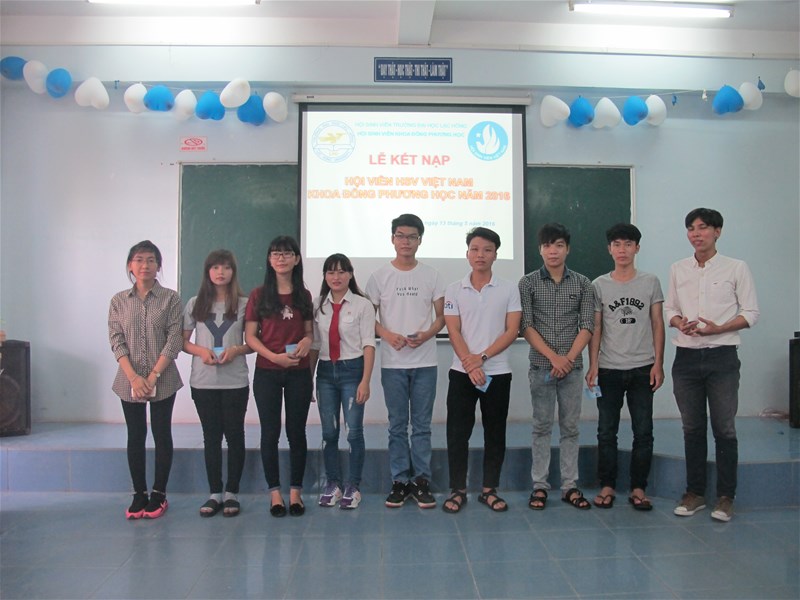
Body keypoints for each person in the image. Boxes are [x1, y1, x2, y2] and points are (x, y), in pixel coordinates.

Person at [665, 208, 759, 522]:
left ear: (717, 231)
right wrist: (679, 322)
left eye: (703, 227)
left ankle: (726, 497)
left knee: (724, 428)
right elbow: (670, 309)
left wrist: (719, 328)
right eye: (691, 228)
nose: (696, 234)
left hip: (722, 357)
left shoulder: (736, 267)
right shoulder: (678, 268)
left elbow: (751, 313)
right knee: (692, 428)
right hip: (686, 358)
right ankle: (694, 494)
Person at [365, 213, 445, 509]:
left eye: (412, 236)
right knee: (397, 425)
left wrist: (427, 334)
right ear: (392, 239)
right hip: (393, 364)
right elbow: (368, 317)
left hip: (425, 362)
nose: (406, 241)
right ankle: (399, 481)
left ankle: (421, 481)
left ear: (420, 240)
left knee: (422, 426)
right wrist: (387, 334)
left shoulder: (432, 275)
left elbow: (442, 317)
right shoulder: (379, 277)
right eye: (401, 236)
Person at [442, 228, 521, 514]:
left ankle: (489, 490)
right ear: (467, 254)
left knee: (495, 432)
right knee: (457, 433)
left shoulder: (509, 289)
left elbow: (512, 330)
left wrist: (482, 358)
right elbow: (453, 330)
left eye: (487, 250)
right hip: (461, 373)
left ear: (496, 254)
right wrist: (469, 363)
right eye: (475, 249)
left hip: (496, 372)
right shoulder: (454, 289)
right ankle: (457, 490)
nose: (480, 255)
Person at [585, 224, 665, 511]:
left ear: (637, 248)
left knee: (643, 431)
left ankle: (638, 488)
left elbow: (657, 323)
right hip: (609, 368)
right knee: (607, 431)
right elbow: (596, 327)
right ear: (609, 249)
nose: (622, 250)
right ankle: (607, 485)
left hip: (643, 367)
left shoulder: (650, 282)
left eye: (628, 244)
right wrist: (593, 365)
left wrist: (659, 363)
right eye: (617, 244)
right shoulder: (598, 285)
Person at [519, 223, 595, 511]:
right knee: (541, 427)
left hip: (572, 370)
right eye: (548, 245)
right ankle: (539, 486)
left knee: (570, 428)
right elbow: (526, 326)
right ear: (540, 249)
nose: (553, 251)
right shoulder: (527, 283)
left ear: (568, 249)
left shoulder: (583, 283)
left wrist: (568, 359)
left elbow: (587, 325)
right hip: (541, 367)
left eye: (559, 245)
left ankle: (569, 486)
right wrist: (554, 358)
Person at [108, 240, 183, 520]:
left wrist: (152, 377)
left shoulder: (171, 299)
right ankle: (139, 494)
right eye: (139, 260)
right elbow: (116, 340)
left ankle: (159, 494)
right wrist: (133, 377)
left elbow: (174, 339)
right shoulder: (118, 301)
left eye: (151, 260)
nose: (145, 265)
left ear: (158, 265)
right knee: (135, 435)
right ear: (130, 265)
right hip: (128, 379)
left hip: (162, 378)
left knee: (162, 434)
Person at [245, 236, 314, 517]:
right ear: (269, 260)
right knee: (270, 432)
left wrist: (307, 341)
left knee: (297, 432)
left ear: (296, 259)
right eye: (275, 254)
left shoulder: (304, 295)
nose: (281, 258)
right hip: (267, 371)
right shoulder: (259, 294)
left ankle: (296, 492)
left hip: (299, 372)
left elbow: (308, 333)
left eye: (287, 254)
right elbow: (250, 337)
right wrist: (274, 357)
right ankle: (275, 493)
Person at [183, 249, 252, 518]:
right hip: (203, 382)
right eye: (215, 267)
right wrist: (201, 351)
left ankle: (232, 492)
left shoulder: (245, 304)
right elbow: (183, 342)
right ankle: (214, 493)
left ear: (233, 271)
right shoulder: (195, 303)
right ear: (207, 272)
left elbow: (253, 343)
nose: (220, 272)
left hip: (235, 381)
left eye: (226, 267)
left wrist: (236, 350)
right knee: (211, 438)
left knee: (235, 436)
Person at [309, 254, 376, 509]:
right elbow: (315, 345)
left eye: (341, 272)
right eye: (330, 272)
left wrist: (365, 381)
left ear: (350, 274)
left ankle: (353, 485)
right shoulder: (318, 305)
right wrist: (309, 379)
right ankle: (333, 483)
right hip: (326, 372)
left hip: (352, 370)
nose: (336, 277)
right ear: (325, 276)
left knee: (353, 431)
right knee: (329, 433)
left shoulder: (362, 304)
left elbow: (369, 344)